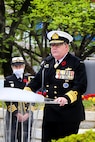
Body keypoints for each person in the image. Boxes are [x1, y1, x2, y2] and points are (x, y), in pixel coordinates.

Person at [24, 30, 87, 142]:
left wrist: (66, 98)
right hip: (50, 113)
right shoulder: (47, 63)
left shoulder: (76, 63)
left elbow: (81, 86)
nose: (54, 48)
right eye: (52, 45)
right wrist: (25, 92)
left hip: (69, 114)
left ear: (66, 47)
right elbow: (37, 81)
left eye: (58, 45)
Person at [4, 57, 33, 142]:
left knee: (25, 137)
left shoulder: (30, 80)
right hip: (13, 114)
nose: (18, 68)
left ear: (24, 66)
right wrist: (16, 113)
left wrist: (29, 113)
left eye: (20, 66)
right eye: (16, 66)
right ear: (12, 67)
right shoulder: (8, 80)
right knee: (11, 137)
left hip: (27, 114)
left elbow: (34, 97)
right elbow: (7, 100)